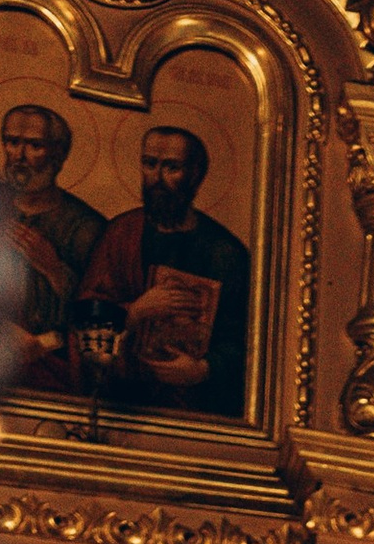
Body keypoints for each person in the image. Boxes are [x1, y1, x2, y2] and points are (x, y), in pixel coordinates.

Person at [75, 123, 251, 416]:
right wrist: (134, 313)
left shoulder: (225, 253)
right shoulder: (121, 234)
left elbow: (244, 342)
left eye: (172, 167)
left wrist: (202, 370)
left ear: (196, 175)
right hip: (120, 398)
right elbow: (84, 317)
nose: (157, 178)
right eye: (149, 164)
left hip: (189, 406)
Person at [0, 102, 102, 393]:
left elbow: (100, 314)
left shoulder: (86, 227)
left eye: (34, 146)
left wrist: (53, 268)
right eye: (12, 142)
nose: (19, 156)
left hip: (52, 370)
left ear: (58, 154)